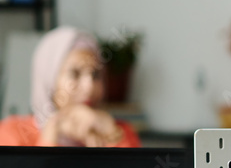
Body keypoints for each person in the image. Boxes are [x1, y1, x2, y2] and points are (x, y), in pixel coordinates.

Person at [0, 27, 141, 147]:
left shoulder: (120, 132)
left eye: (96, 75)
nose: (90, 87)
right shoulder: (11, 134)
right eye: (75, 74)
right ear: (49, 80)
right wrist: (52, 132)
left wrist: (110, 134)